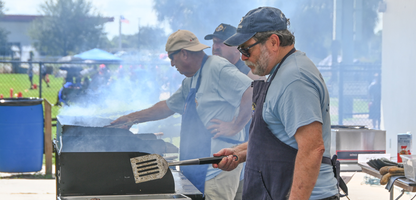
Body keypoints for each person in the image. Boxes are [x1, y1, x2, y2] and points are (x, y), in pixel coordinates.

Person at [212, 7, 345, 200]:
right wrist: (239, 152)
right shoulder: (281, 72)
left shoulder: (295, 79)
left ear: (274, 42)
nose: (243, 57)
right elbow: (280, 138)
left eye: (247, 49)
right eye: (240, 50)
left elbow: (312, 149)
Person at [110, 29, 253, 200]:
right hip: (196, 166)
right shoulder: (191, 80)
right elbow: (167, 106)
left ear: (184, 53)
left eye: (172, 57)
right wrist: (132, 118)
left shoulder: (216, 67)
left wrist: (235, 126)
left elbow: (251, 91)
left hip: (216, 168)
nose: (171, 63)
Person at [204, 23, 265, 200]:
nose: (216, 47)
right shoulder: (216, 71)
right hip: (230, 157)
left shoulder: (249, 71)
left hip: (244, 156)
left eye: (221, 43)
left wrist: (235, 126)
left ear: (237, 48)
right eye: (214, 42)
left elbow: (252, 94)